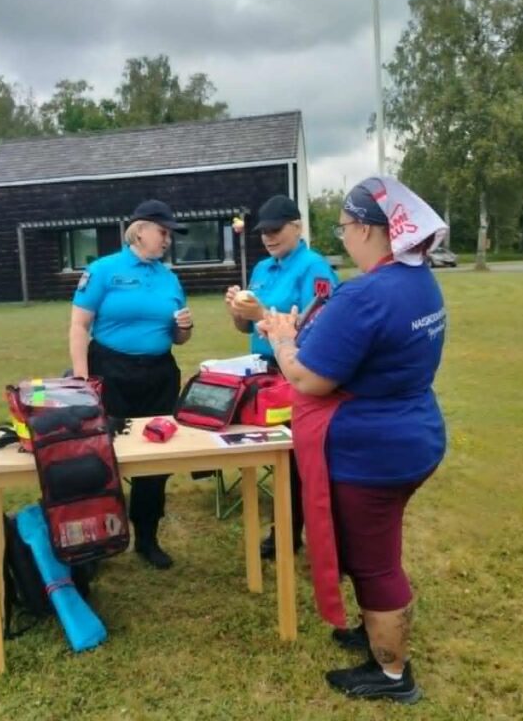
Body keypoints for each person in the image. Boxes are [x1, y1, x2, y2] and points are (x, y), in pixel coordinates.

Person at [259, 177, 448, 704]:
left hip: (374, 453)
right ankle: (372, 632)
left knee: (374, 561)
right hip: (413, 434)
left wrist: (282, 339)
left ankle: (392, 676)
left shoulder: (366, 293)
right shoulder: (418, 279)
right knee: (376, 548)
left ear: (368, 228)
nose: (342, 238)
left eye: (344, 228)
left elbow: (308, 380)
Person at [69, 199, 193, 570]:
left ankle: (147, 537)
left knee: (155, 458)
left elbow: (180, 337)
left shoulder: (169, 278)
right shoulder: (104, 270)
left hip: (158, 375)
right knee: (103, 456)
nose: (167, 240)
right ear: (139, 230)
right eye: (163, 232)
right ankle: (100, 538)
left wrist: (183, 329)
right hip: (110, 371)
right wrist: (81, 380)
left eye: (170, 234)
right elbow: (79, 326)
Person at [224, 195, 338, 559]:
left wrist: (261, 313)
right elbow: (247, 328)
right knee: (272, 450)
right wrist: (238, 312)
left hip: (297, 368)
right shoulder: (261, 269)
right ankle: (284, 530)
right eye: (263, 232)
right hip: (264, 370)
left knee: (298, 458)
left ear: (297, 226)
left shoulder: (313, 268)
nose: (268, 238)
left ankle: (295, 534)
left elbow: (317, 326)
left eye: (275, 230)